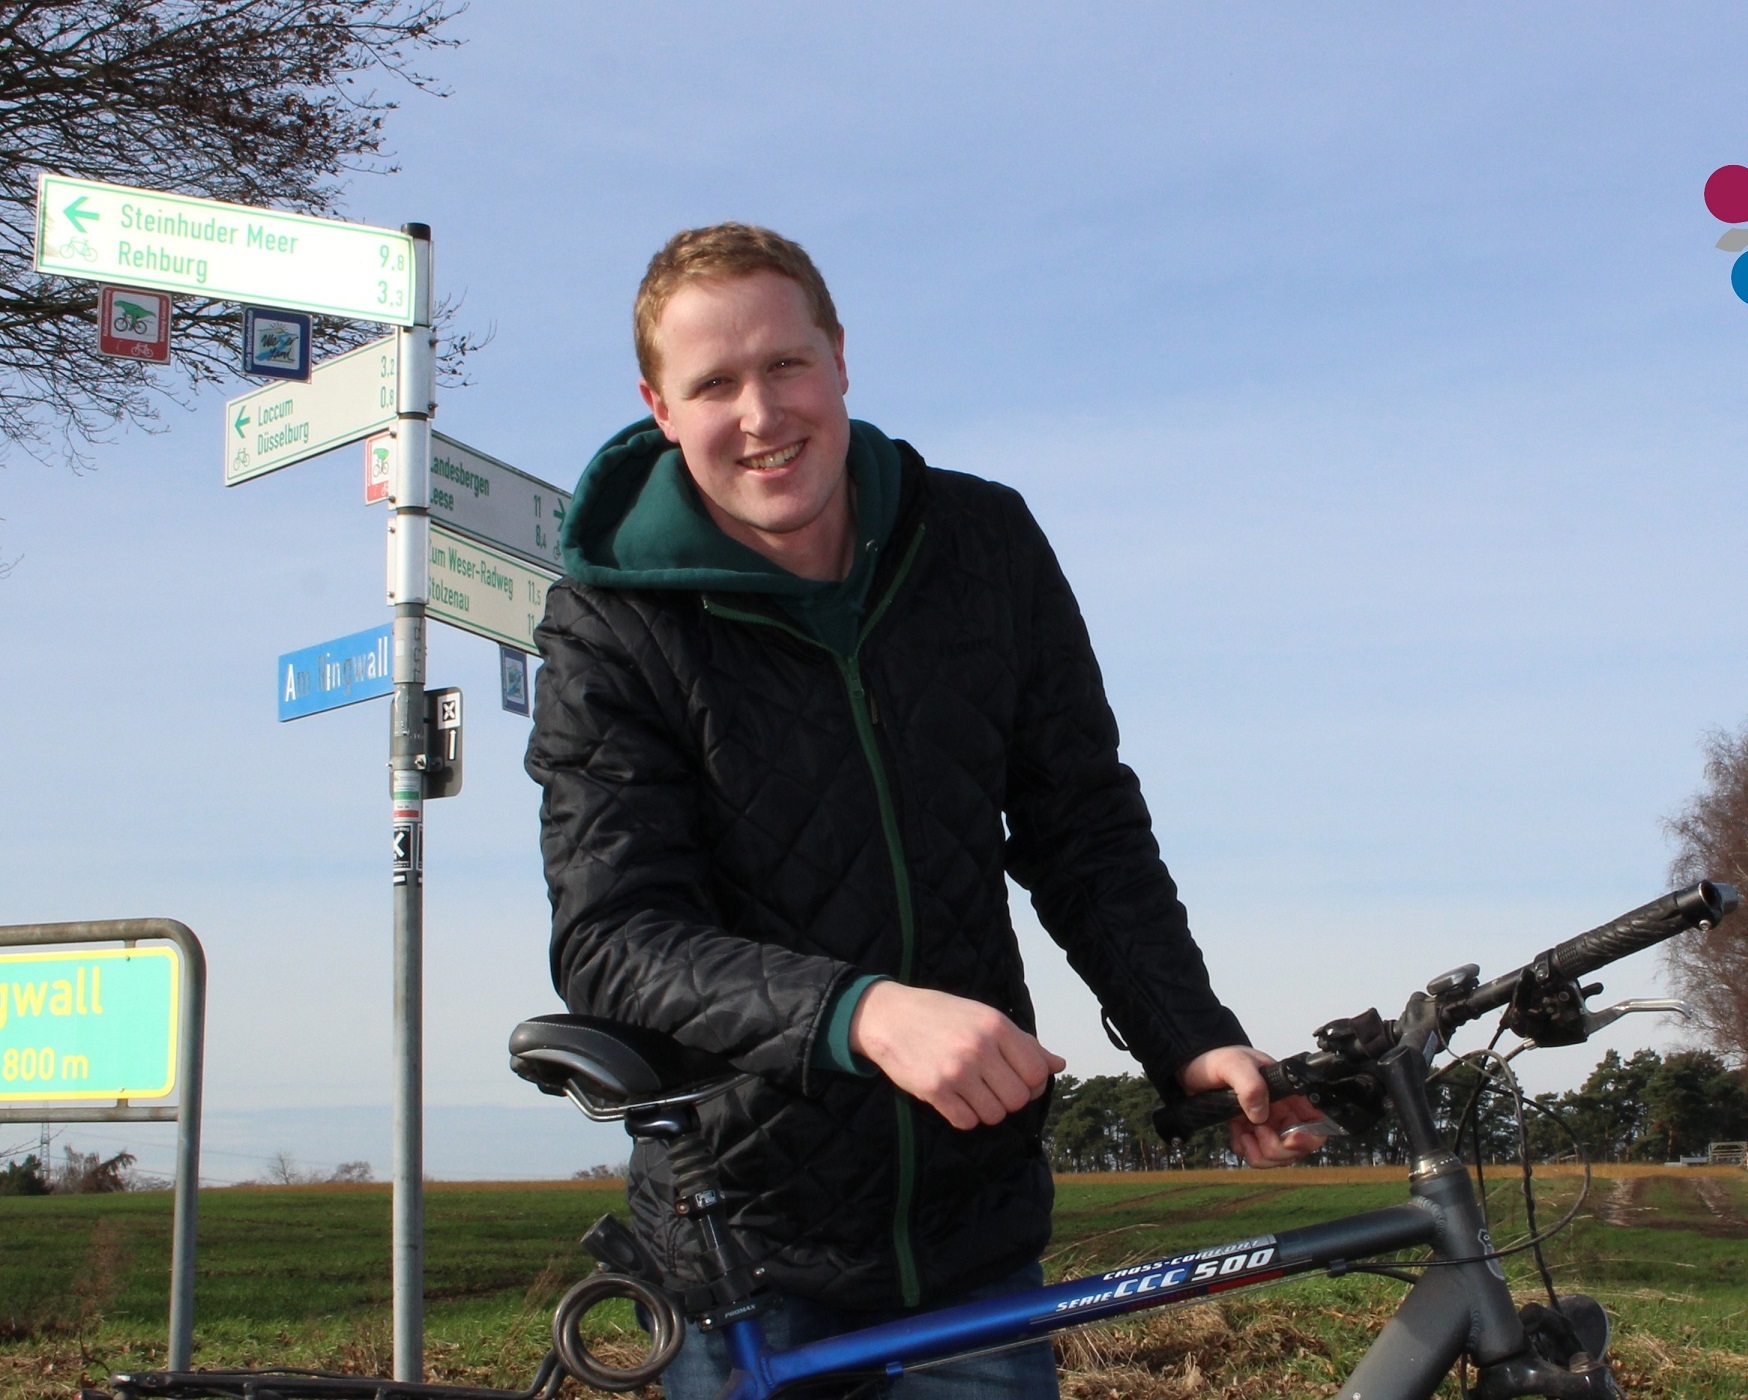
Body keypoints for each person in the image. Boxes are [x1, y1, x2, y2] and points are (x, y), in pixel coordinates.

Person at [526, 223, 1321, 1399]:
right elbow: (612, 936)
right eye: (713, 383)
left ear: (839, 357)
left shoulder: (981, 543)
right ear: (658, 405)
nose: (760, 412)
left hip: (970, 1242)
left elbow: (1082, 827)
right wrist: (862, 1012)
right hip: (745, 1239)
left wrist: (1187, 1032)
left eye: (785, 364)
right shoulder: (608, 621)